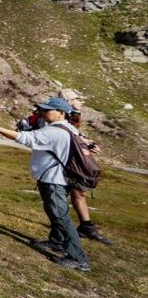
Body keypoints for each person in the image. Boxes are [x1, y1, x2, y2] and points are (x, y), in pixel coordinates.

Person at [0, 97, 91, 271]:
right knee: (55, 213)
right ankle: (56, 242)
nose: (42, 113)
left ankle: (78, 258)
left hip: (53, 180)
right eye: (42, 109)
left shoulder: (54, 131)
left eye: (47, 110)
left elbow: (25, 138)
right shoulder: (68, 129)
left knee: (60, 216)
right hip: (59, 178)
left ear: (61, 113)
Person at [59, 88, 112, 245]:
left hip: (72, 159)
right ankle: (66, 230)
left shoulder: (73, 115)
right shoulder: (62, 115)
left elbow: (75, 135)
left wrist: (86, 143)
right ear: (69, 101)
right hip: (67, 161)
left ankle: (84, 226)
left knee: (78, 192)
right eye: (78, 99)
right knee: (71, 192)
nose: (82, 102)